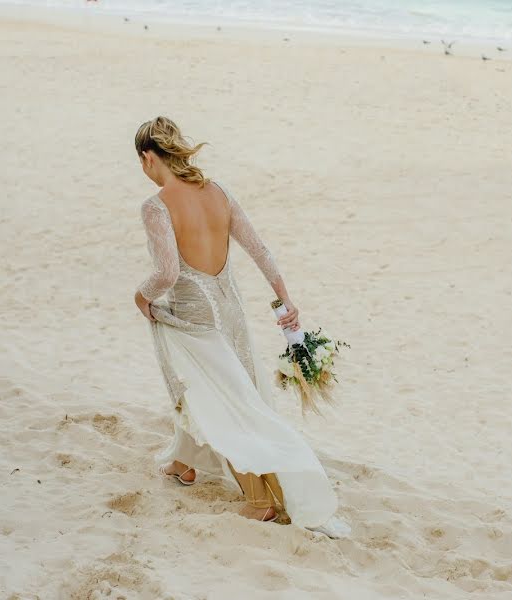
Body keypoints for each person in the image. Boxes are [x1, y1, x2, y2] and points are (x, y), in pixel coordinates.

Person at [132, 116, 349, 538]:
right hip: (230, 313)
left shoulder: (155, 205)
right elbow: (260, 250)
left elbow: (167, 272)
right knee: (222, 387)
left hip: (192, 316)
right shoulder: (218, 193)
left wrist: (141, 298)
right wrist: (286, 299)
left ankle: (260, 499)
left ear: (147, 157)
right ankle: (185, 462)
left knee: (214, 397)